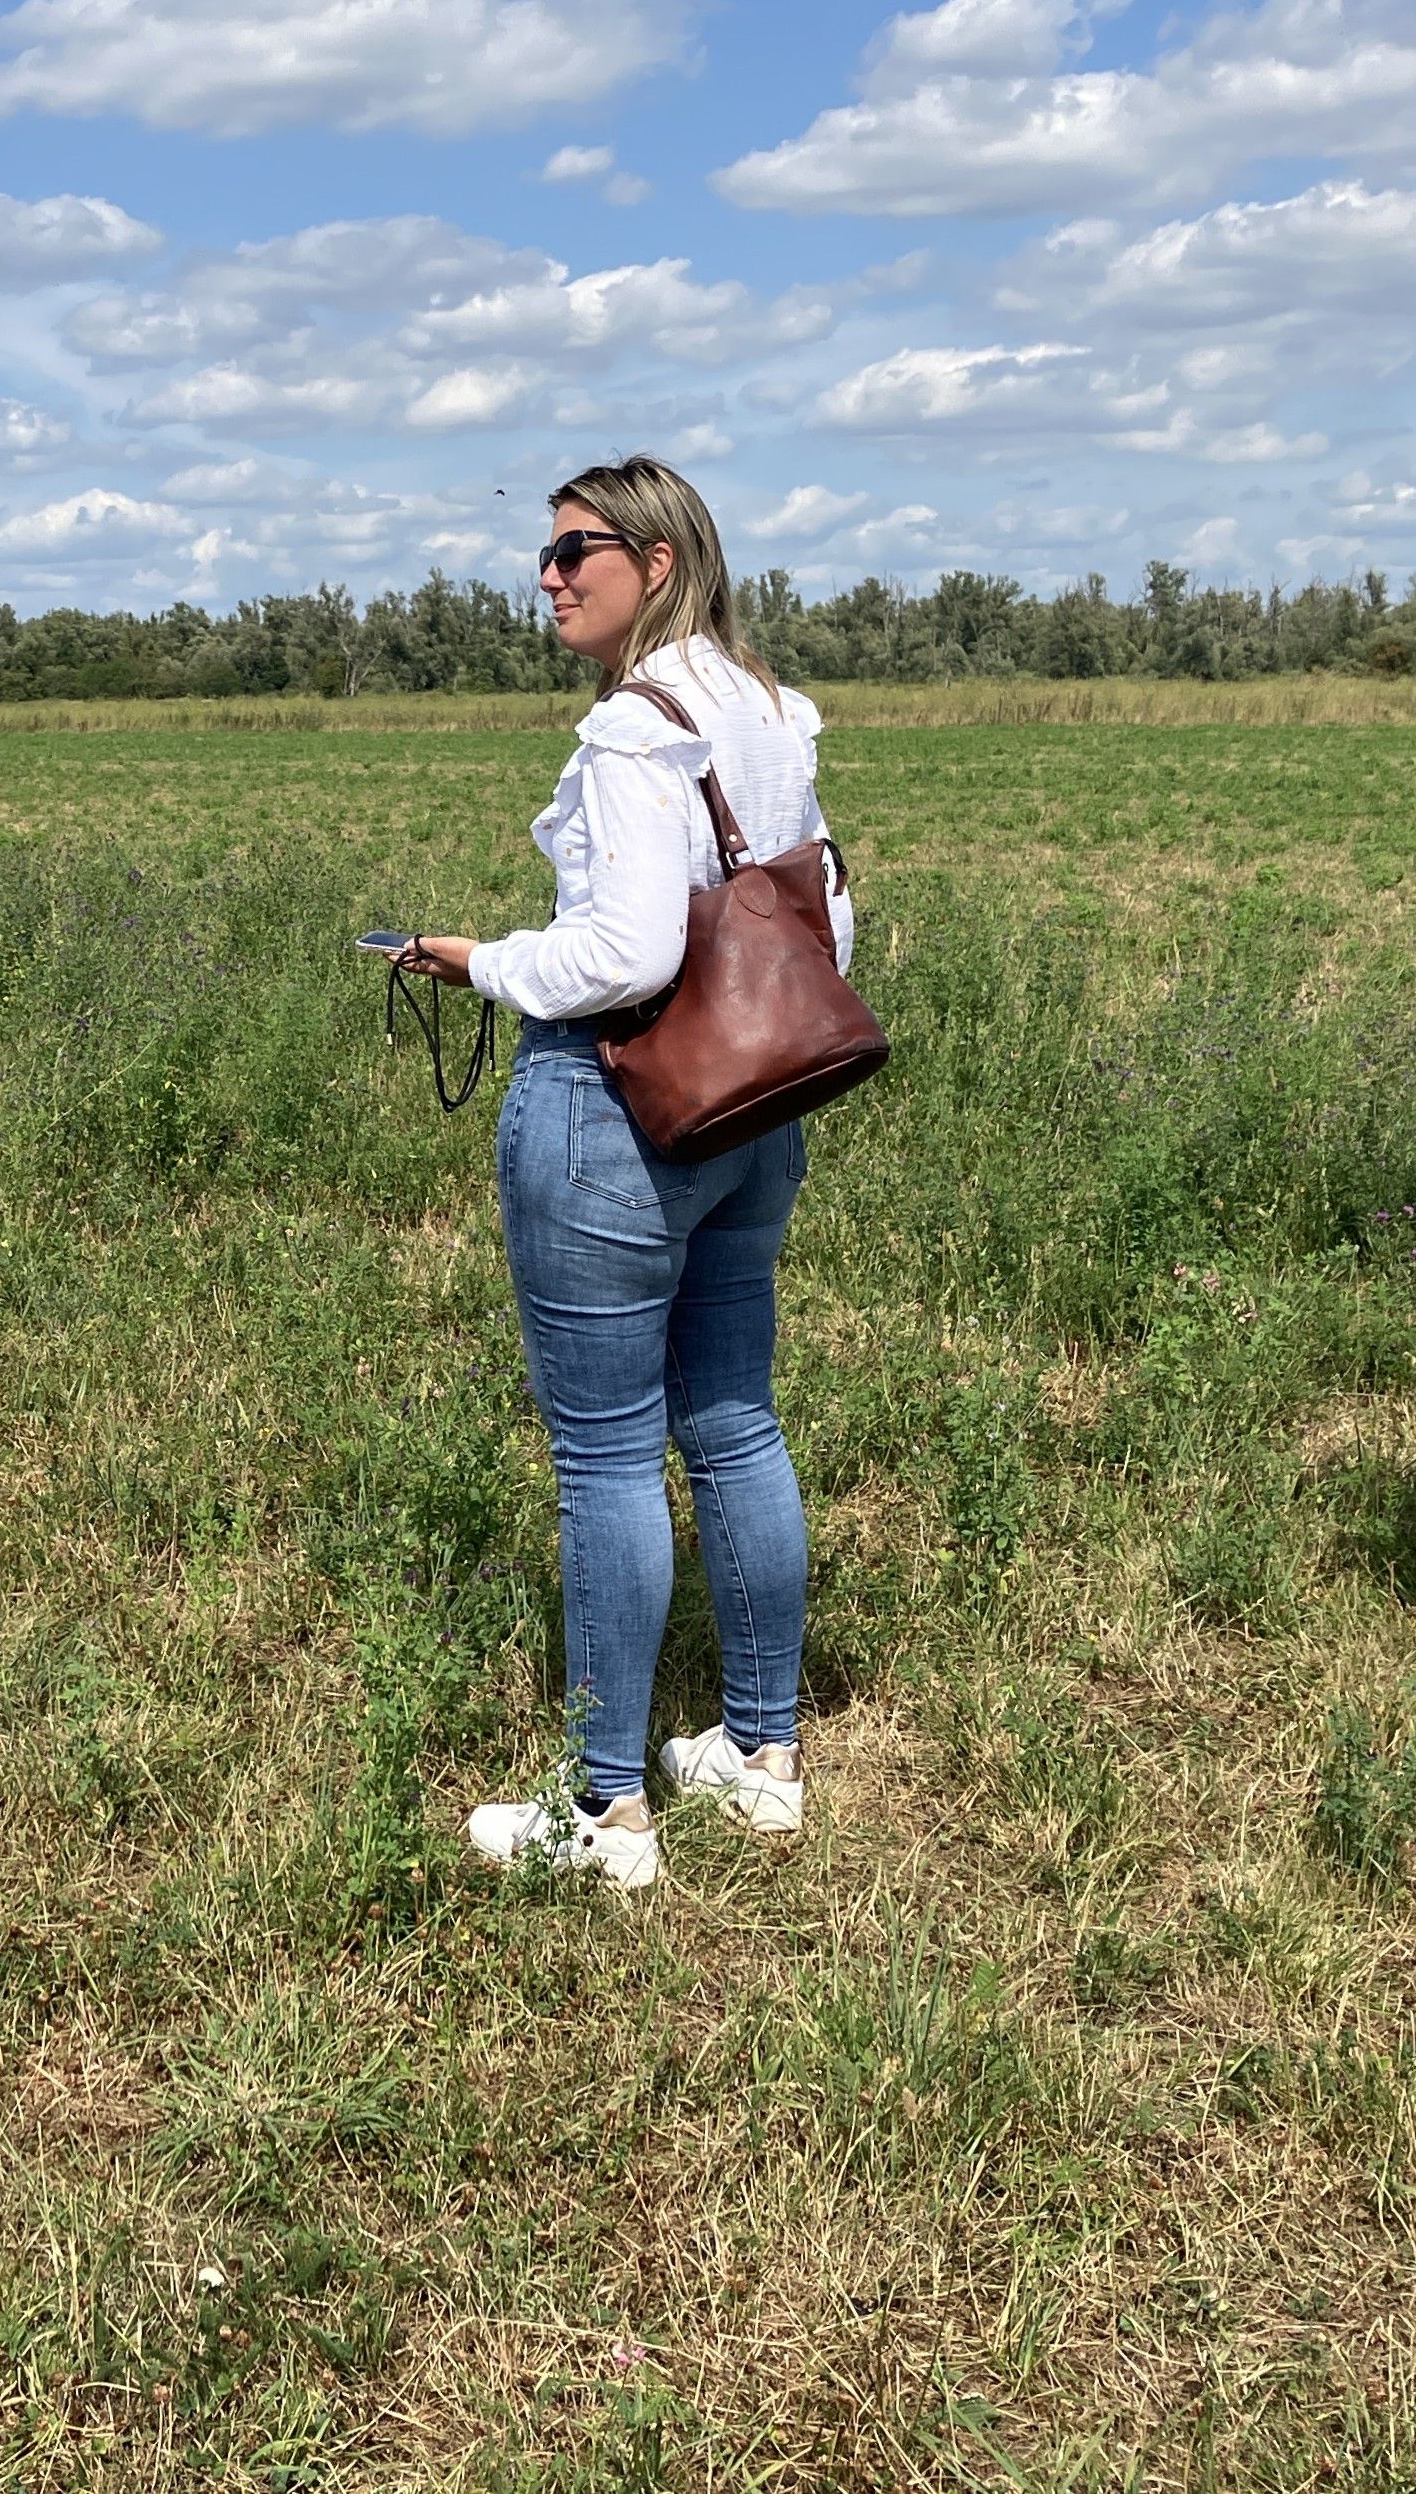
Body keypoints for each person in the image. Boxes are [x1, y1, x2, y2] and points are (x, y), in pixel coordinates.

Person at [400, 456, 853, 1890]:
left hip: (616, 1108)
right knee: (729, 1414)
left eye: (572, 551)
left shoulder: (628, 732)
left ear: (655, 561)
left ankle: (601, 1814)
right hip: (749, 1111)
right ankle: (759, 1752)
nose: (545, 577)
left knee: (601, 1453)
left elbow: (625, 955)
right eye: (541, 555)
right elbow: (825, 909)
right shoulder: (768, 711)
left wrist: (482, 963)